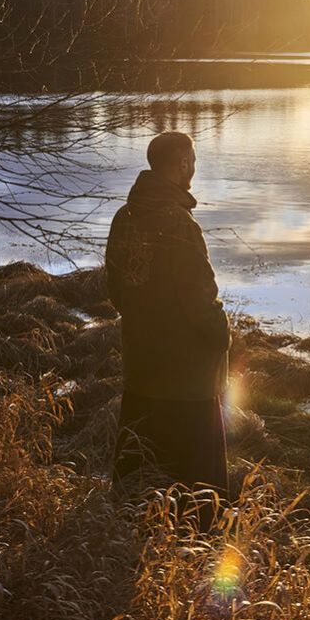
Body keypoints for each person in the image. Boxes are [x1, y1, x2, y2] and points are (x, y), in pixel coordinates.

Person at [106, 130, 231, 495]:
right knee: (197, 479)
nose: (194, 165)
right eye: (192, 159)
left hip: (141, 366)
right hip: (185, 380)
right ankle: (199, 539)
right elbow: (200, 299)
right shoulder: (179, 225)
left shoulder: (123, 218)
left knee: (139, 468)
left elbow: (116, 289)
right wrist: (222, 334)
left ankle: (133, 527)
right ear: (181, 164)